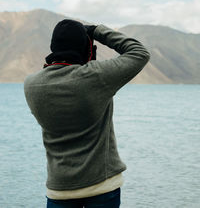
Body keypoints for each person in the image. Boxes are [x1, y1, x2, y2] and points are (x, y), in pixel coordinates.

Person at [24, 19, 150, 208]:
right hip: (102, 185)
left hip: (60, 189)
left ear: (54, 46)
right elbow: (139, 53)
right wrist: (97, 30)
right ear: (85, 48)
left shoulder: (31, 84)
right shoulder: (96, 76)